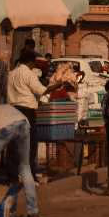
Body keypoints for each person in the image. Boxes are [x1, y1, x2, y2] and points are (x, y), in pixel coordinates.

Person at [7, 50, 66, 180]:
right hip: (26, 110)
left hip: (12, 110)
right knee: (30, 144)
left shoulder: (11, 73)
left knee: (13, 143)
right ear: (31, 61)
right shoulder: (28, 74)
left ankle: (12, 175)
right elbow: (41, 90)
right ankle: (29, 174)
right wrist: (58, 85)